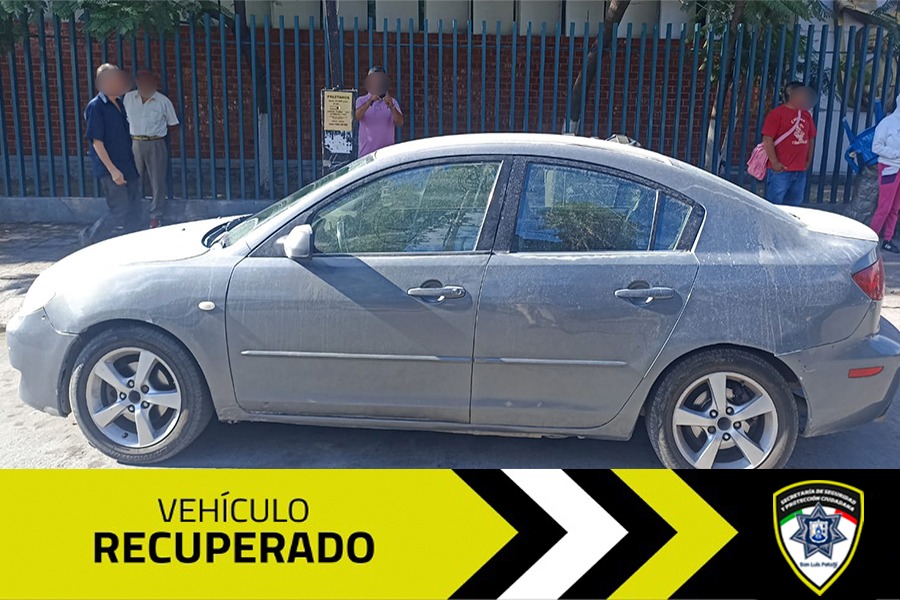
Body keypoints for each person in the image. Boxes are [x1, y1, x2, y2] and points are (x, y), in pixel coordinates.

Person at [81, 64, 142, 246]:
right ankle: (89, 239)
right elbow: (97, 142)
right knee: (119, 209)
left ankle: (133, 245)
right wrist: (113, 170)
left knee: (135, 208)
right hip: (111, 168)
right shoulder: (96, 107)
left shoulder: (119, 104)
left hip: (127, 164)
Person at [124, 69, 180, 228]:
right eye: (143, 82)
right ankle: (133, 213)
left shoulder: (163, 101)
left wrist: (158, 134)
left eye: (149, 82)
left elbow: (173, 124)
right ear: (137, 83)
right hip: (135, 141)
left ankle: (155, 215)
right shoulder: (128, 98)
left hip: (156, 142)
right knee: (134, 179)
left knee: (157, 181)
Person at [761, 81, 817, 206]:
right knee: (775, 204)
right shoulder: (777, 114)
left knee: (794, 204)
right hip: (781, 170)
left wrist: (808, 160)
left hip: (800, 169)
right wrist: (775, 163)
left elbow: (810, 138)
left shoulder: (806, 115)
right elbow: (767, 139)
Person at [870, 93, 900, 253]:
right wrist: (896, 154)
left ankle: (887, 239)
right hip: (889, 168)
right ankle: (871, 239)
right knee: (884, 207)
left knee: (895, 208)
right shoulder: (887, 123)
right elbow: (876, 147)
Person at [355, 66, 404, 157]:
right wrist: (369, 101)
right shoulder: (361, 100)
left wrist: (391, 107)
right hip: (366, 154)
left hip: (387, 155)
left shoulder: (392, 101)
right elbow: (357, 117)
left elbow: (400, 122)